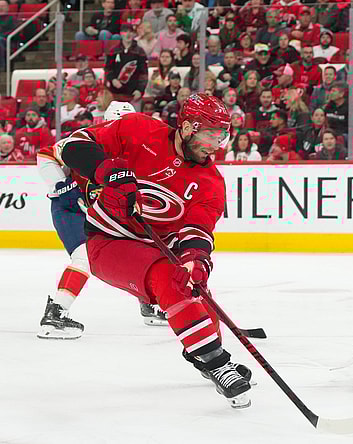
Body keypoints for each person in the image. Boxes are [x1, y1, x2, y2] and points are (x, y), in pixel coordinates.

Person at [55, 94, 254, 406]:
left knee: (199, 296)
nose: (217, 144)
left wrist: (195, 259)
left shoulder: (211, 183)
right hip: (110, 241)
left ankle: (204, 354)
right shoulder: (138, 130)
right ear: (188, 127)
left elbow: (197, 231)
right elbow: (71, 146)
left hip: (160, 247)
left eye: (223, 136)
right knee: (170, 280)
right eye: (211, 135)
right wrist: (105, 170)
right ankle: (217, 362)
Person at [36, 101, 168, 340]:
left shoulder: (136, 151)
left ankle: (148, 303)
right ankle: (55, 313)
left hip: (104, 213)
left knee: (141, 249)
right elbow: (46, 155)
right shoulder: (86, 140)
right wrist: (62, 186)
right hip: (72, 210)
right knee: (85, 258)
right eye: (118, 126)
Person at [104, 25, 148, 104]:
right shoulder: (113, 51)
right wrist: (113, 79)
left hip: (133, 94)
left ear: (134, 34)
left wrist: (139, 90)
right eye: (125, 32)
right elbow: (107, 68)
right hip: (115, 93)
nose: (128, 34)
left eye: (130, 32)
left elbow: (144, 73)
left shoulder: (140, 52)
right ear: (121, 34)